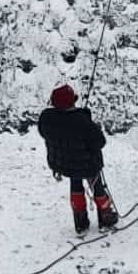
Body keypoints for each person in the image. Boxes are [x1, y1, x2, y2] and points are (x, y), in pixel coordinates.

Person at [36, 83, 119, 234]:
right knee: (97, 186)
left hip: (64, 164)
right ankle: (106, 216)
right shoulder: (81, 121)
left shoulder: (46, 118)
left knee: (75, 183)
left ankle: (80, 221)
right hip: (88, 164)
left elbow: (44, 132)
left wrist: (82, 117)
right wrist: (86, 118)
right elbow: (100, 142)